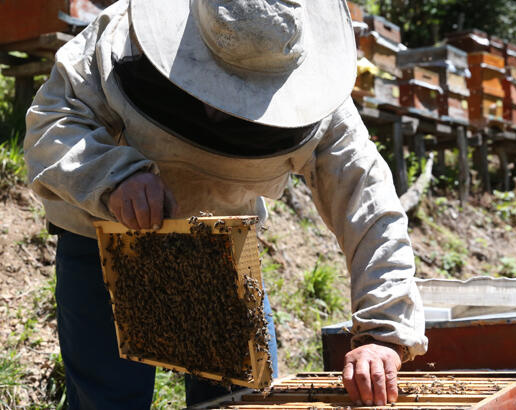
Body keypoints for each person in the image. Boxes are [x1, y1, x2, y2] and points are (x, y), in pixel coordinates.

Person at [23, 0, 428, 408]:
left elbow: (369, 204)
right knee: (108, 401)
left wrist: (383, 333)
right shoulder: (121, 35)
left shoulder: (324, 100)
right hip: (102, 238)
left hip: (219, 249)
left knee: (238, 401)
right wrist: (112, 176)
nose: (222, 105)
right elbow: (53, 119)